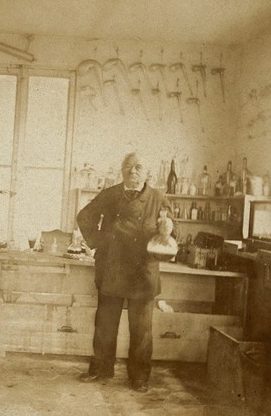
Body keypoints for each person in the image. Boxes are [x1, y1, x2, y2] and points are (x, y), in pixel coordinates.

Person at [76, 152, 175, 393]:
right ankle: (100, 370)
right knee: (105, 325)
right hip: (112, 269)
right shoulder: (109, 195)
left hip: (143, 272)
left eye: (138, 167)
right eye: (128, 167)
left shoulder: (158, 198)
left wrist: (168, 229)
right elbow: (84, 217)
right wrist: (101, 241)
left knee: (141, 330)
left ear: (147, 173)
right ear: (122, 171)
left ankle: (139, 377)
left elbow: (175, 234)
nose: (133, 171)